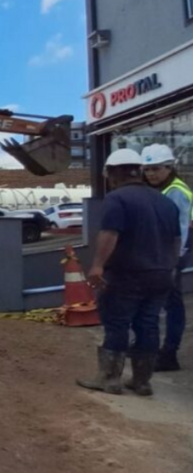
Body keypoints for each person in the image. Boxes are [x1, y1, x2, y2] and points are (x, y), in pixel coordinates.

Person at [78, 149, 181, 397]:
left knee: (117, 324)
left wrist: (97, 265)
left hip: (126, 274)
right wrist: (170, 266)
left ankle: (109, 379)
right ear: (138, 171)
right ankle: (142, 381)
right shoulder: (164, 200)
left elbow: (110, 233)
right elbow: (176, 239)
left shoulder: (117, 198)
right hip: (160, 274)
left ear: (112, 174)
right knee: (148, 325)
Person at [141, 144, 192, 372]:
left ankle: (169, 353)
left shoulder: (176, 191)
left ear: (169, 167)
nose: (151, 174)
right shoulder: (162, 189)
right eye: (147, 169)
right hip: (160, 254)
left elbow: (181, 229)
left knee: (171, 304)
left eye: (156, 169)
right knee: (163, 302)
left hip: (171, 256)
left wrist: (172, 262)